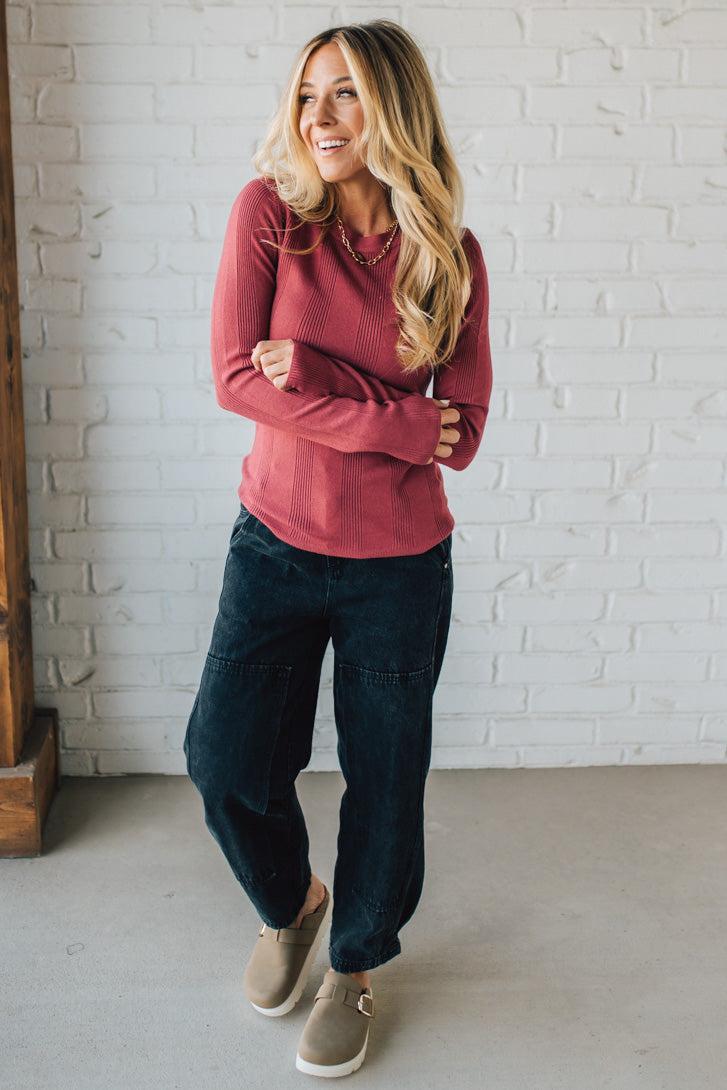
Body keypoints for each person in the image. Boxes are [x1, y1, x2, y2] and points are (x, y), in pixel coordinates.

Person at [183, 17, 493, 1079]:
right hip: (272, 545)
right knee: (222, 760)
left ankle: (354, 965)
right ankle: (292, 903)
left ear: (394, 110)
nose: (320, 116)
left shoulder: (450, 256)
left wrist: (318, 381)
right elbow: (233, 379)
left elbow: (462, 433)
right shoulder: (269, 217)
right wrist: (395, 415)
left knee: (384, 783)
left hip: (400, 570)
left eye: (348, 94)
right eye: (309, 93)